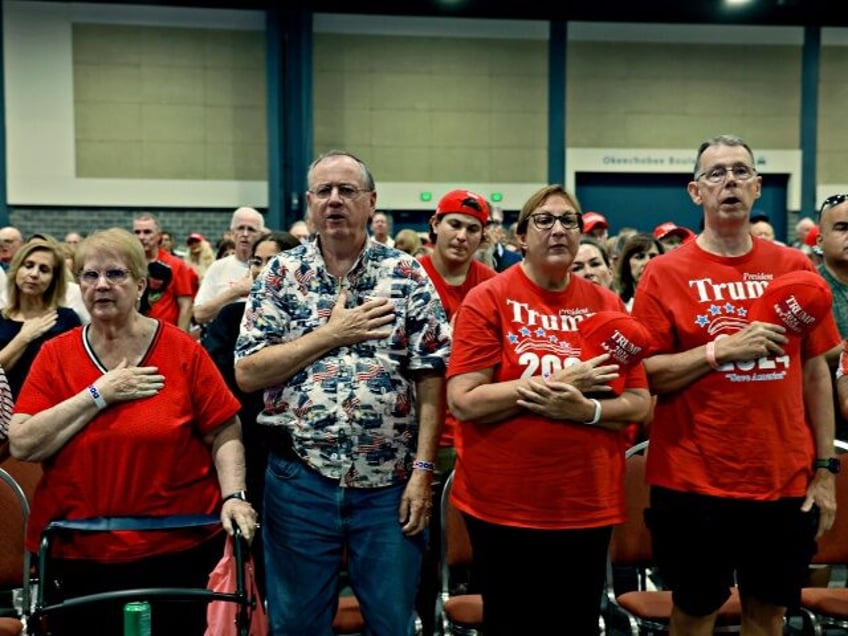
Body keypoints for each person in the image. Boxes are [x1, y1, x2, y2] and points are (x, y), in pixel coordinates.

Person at [235, 149, 451, 635]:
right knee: (295, 624)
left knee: (393, 622)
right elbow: (248, 373)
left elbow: (431, 376)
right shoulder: (280, 274)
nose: (335, 201)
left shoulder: (408, 274)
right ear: (310, 202)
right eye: (324, 192)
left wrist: (422, 471)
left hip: (391, 483)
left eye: (347, 191)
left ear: (371, 202)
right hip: (299, 482)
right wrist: (332, 334)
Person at [631, 134, 840, 636]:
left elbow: (816, 371)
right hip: (691, 478)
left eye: (741, 171)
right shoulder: (663, 273)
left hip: (782, 478)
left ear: (758, 188)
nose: (730, 181)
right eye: (716, 173)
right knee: (696, 611)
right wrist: (718, 351)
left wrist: (826, 468)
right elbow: (645, 375)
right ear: (695, 192)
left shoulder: (794, 268)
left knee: (768, 615)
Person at [6, 228, 257, 634]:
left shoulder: (183, 351)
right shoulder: (56, 354)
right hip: (79, 548)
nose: (102, 285)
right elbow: (22, 441)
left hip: (179, 544)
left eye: (116, 274)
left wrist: (235, 496)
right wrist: (98, 394)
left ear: (141, 285)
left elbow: (225, 429)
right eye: (90, 276)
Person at [446, 184, 652, 635]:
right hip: (505, 504)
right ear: (520, 236)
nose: (558, 229)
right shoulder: (489, 299)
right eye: (544, 220)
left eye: (568, 221)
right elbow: (464, 399)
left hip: (585, 501)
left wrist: (586, 412)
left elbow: (638, 403)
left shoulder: (608, 305)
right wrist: (557, 383)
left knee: (575, 624)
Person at [416, 188, 497, 636]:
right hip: (425, 435)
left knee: (484, 544)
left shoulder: (492, 285)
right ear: (435, 225)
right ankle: (427, 623)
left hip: (476, 433)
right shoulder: (412, 276)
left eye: (472, 229)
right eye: (454, 224)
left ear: (483, 236)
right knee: (425, 549)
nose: (462, 236)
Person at [202, 230, 300, 596]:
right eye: (256, 261)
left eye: (271, 261)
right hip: (242, 440)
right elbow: (225, 381)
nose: (260, 270)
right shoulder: (231, 317)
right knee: (250, 543)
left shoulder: (309, 321)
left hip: (291, 448)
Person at [0, 238, 82, 399]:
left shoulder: (65, 319)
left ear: (53, 280)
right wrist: (23, 338)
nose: (34, 274)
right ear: (17, 269)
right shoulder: (1, 318)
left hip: (48, 410)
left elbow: (75, 374)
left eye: (44, 270)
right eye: (28, 266)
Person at [193, 207, 265, 325]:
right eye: (240, 228)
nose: (245, 234)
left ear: (261, 235)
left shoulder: (270, 268)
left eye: (251, 229)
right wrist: (236, 291)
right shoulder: (218, 267)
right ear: (232, 233)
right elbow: (199, 315)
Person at [816, 193, 848, 441]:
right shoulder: (806, 290)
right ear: (820, 239)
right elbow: (795, 356)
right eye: (842, 228)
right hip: (825, 427)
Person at [132, 213, 196, 332]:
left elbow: (185, 305)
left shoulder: (176, 264)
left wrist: (181, 338)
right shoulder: (128, 264)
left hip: (165, 332)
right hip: (134, 332)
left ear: (158, 236)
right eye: (137, 232)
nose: (141, 237)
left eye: (147, 232)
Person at [616, 233, 664, 311]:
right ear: (627, 264)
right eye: (639, 257)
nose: (647, 262)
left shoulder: (673, 302)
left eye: (653, 256)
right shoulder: (617, 306)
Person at [486, 206, 522, 272]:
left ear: (501, 227)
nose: (491, 228)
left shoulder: (517, 259)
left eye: (496, 223)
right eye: (487, 223)